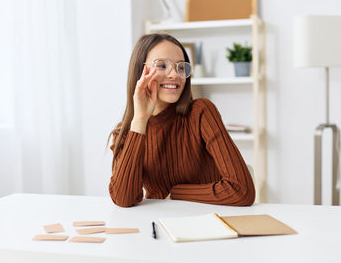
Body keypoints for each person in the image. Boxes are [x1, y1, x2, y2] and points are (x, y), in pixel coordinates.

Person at [109, 33, 255, 207]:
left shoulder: (201, 113)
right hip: (159, 224)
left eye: (180, 67)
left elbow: (242, 191)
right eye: (162, 65)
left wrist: (176, 193)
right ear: (140, 72)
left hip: (211, 220)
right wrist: (140, 120)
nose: (174, 75)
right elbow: (123, 199)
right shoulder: (127, 132)